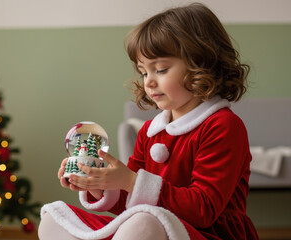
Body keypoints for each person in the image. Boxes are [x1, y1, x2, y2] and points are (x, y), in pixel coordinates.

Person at [39, 3, 259, 240]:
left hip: (211, 234)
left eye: (161, 70)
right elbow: (130, 205)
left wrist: (132, 181)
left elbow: (202, 210)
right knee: (55, 218)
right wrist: (97, 184)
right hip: (152, 228)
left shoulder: (223, 126)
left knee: (143, 223)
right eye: (144, 72)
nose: (149, 82)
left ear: (201, 64)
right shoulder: (149, 131)